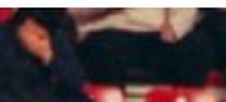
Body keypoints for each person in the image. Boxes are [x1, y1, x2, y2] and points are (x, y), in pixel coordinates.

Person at [72, 8, 208, 87]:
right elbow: (74, 12)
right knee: (100, 49)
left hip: (156, 30)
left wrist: (175, 27)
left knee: (195, 46)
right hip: (111, 28)